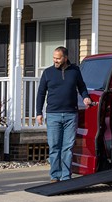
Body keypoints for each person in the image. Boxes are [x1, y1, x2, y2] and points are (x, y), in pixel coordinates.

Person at [35, 46, 91, 182]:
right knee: (54, 147)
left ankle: (66, 176)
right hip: (53, 115)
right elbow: (41, 92)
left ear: (65, 58)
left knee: (68, 147)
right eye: (54, 58)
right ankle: (55, 175)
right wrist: (38, 113)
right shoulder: (48, 73)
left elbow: (82, 86)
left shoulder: (75, 71)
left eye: (58, 58)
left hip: (71, 115)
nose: (55, 60)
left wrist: (85, 96)